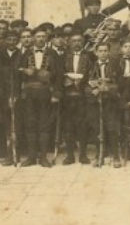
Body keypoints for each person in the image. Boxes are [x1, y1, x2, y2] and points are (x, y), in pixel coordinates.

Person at [18, 26, 64, 168]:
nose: (40, 39)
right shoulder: (25, 53)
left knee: (45, 125)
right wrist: (24, 71)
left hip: (46, 93)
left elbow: (60, 74)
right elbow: (18, 72)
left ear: (47, 38)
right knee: (30, 124)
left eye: (43, 36)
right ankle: (31, 157)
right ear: (33, 38)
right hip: (29, 94)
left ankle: (43, 157)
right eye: (38, 36)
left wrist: (57, 93)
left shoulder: (53, 53)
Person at [85, 42, 122, 168]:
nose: (103, 53)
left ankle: (116, 156)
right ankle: (99, 154)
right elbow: (86, 83)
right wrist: (93, 90)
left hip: (111, 101)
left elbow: (121, 84)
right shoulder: (91, 66)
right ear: (96, 52)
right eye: (100, 51)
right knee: (97, 128)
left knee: (112, 128)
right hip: (96, 101)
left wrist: (108, 89)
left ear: (109, 52)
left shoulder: (115, 66)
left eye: (105, 51)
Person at [61, 32, 93, 165]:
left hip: (83, 95)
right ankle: (69, 155)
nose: (77, 43)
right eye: (74, 41)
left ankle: (83, 155)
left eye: (79, 40)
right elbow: (58, 72)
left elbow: (92, 73)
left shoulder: (90, 56)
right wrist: (65, 80)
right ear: (69, 43)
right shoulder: (63, 57)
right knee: (68, 125)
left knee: (82, 125)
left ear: (83, 42)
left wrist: (82, 82)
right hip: (67, 96)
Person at [0, 31, 21, 165]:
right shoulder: (1, 54)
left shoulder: (21, 54)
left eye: (14, 40)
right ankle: (5, 152)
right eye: (9, 39)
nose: (12, 42)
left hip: (16, 94)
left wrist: (15, 95)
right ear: (5, 41)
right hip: (2, 93)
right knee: (4, 124)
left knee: (15, 125)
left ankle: (14, 154)